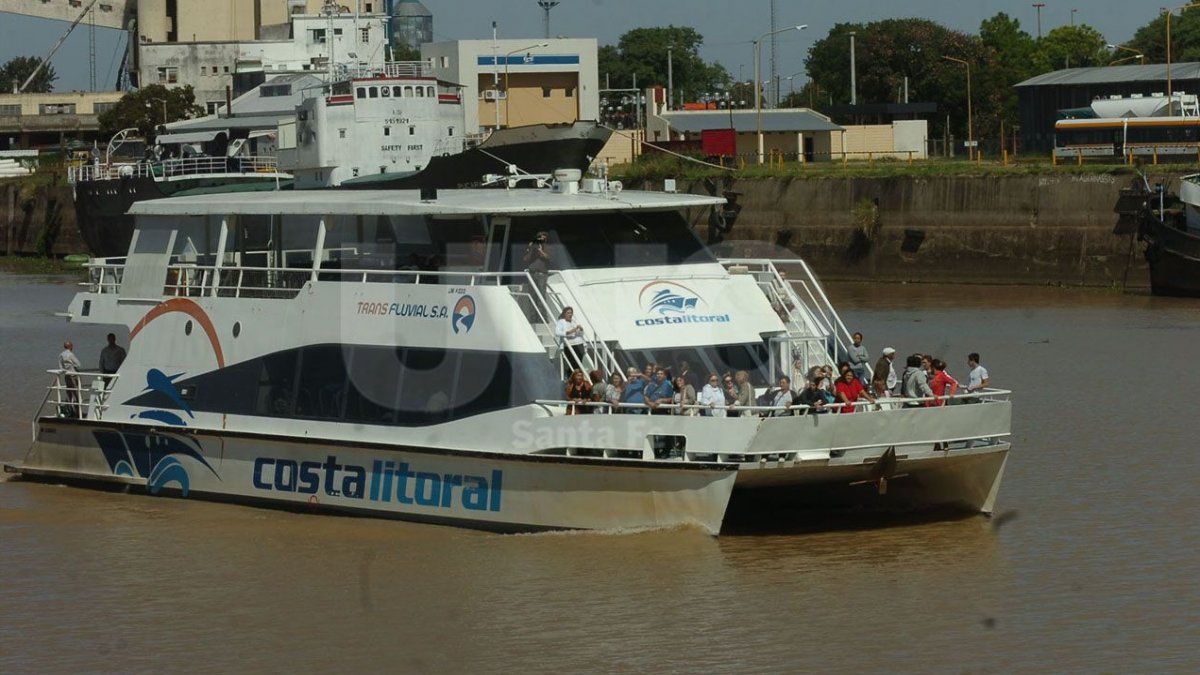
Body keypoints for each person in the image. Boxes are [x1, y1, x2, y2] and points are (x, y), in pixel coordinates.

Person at [555, 307, 586, 371]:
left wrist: (581, 329)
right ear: (564, 314)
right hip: (569, 345)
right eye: (568, 313)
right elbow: (557, 332)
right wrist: (569, 332)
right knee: (571, 364)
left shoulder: (574, 321)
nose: (570, 314)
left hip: (579, 343)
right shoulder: (561, 322)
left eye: (571, 313)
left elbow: (581, 334)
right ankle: (572, 377)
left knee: (579, 363)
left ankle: (577, 377)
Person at [522, 231, 552, 299]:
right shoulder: (533, 247)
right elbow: (525, 259)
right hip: (532, 273)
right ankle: (532, 309)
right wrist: (530, 248)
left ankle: (541, 309)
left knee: (541, 295)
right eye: (539, 238)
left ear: (546, 239)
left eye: (543, 239)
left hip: (542, 274)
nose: (541, 240)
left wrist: (541, 251)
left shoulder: (548, 247)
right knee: (532, 295)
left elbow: (549, 258)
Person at [58, 341, 82, 417]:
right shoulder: (70, 354)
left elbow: (61, 366)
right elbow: (78, 364)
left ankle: (69, 409)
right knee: (75, 392)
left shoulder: (61, 355)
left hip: (66, 375)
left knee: (68, 392)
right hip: (73, 375)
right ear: (71, 346)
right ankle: (77, 411)